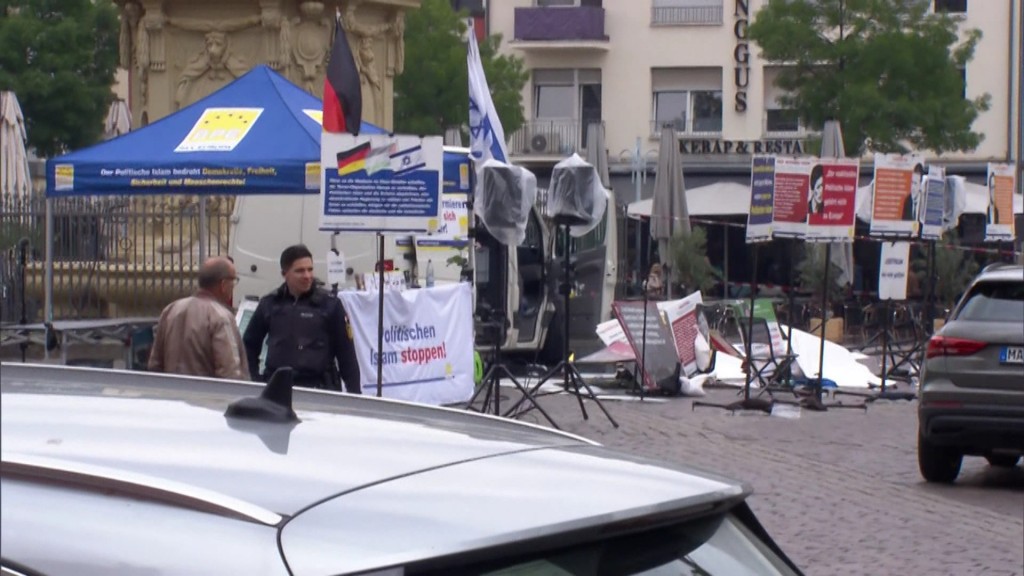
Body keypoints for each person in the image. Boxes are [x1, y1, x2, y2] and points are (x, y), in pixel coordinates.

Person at [243, 244, 361, 393]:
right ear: (284, 273)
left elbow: (347, 356)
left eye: (310, 269)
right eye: (300, 271)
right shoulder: (270, 304)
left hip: (320, 389)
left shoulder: (330, 305)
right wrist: (255, 381)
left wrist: (354, 395)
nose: (307, 276)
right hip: (278, 388)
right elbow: (249, 346)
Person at [148, 256, 249, 380]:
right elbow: (230, 371)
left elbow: (155, 365)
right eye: (233, 281)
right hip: (205, 397)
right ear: (223, 284)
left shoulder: (170, 310)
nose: (234, 286)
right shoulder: (221, 317)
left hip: (171, 394)